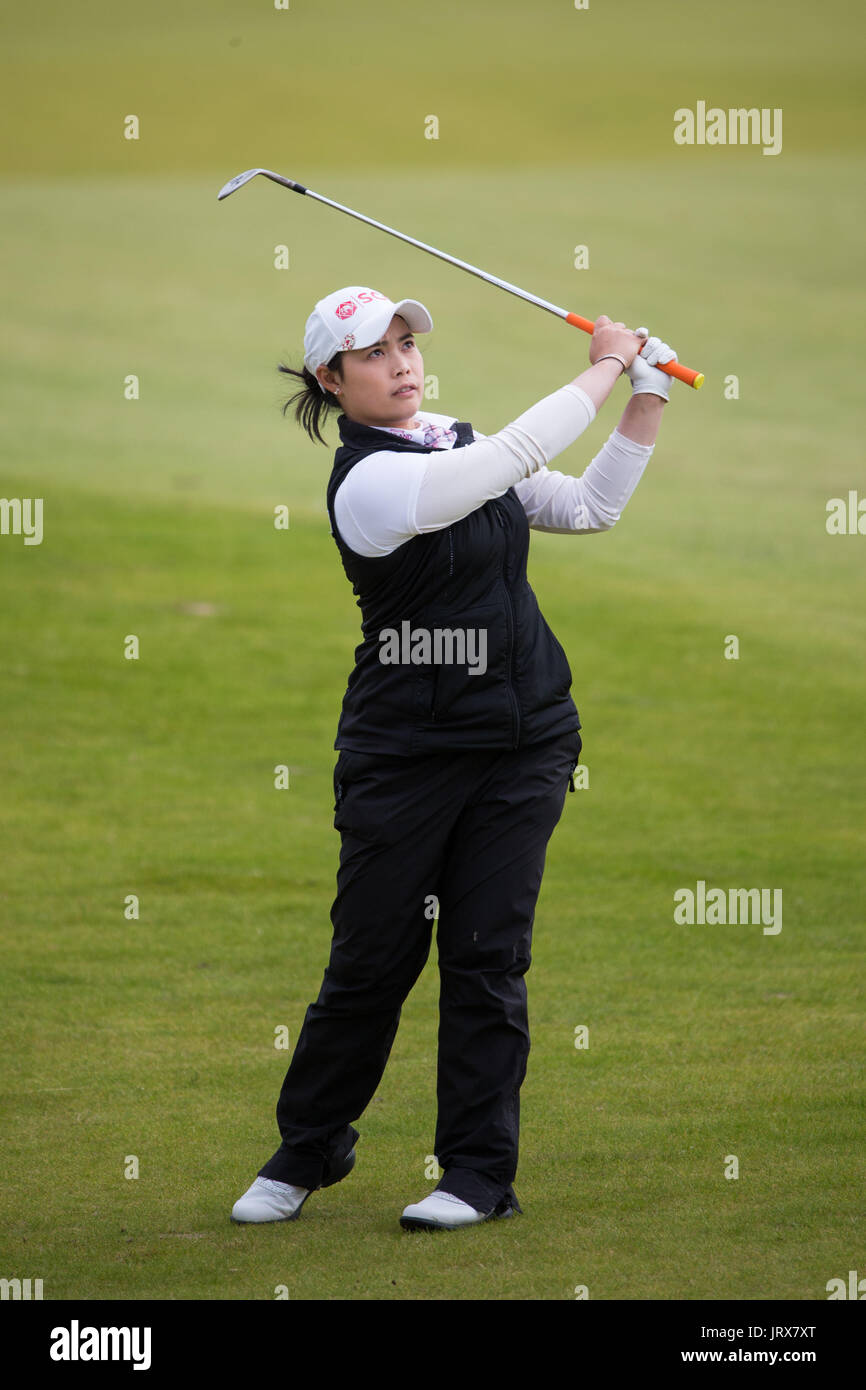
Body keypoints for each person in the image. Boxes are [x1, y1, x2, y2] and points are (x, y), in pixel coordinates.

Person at [231, 285, 676, 1231]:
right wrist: (602, 360)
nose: (400, 363)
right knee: (372, 960)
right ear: (331, 379)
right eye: (373, 353)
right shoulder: (371, 484)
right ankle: (310, 1147)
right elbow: (509, 458)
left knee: (487, 958)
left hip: (524, 742)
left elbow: (592, 508)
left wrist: (645, 394)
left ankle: (476, 1176)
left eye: (406, 343)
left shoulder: (449, 442)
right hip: (406, 753)